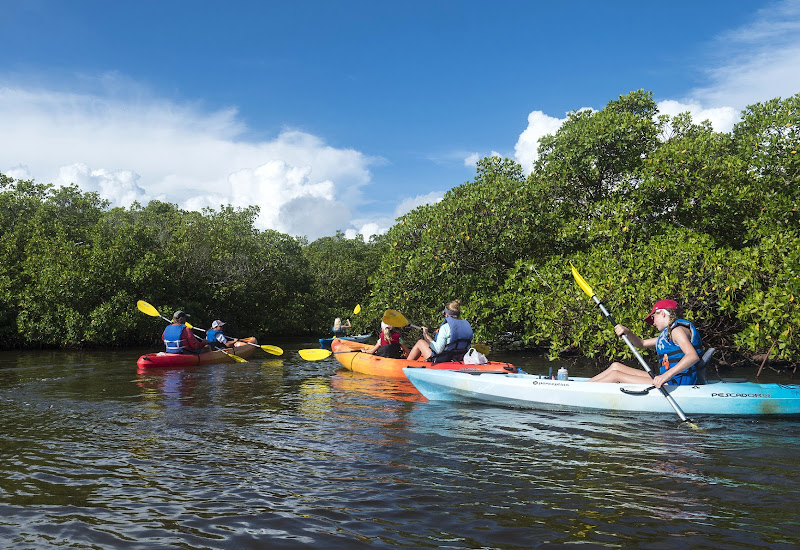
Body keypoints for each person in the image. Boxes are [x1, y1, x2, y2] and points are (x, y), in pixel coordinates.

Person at [588, 299, 704, 388]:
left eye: (653, 317)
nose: (653, 323)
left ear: (663, 313)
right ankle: (579, 387)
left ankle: (579, 391)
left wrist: (665, 376)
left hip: (677, 383)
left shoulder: (677, 331)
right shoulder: (667, 335)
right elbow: (641, 344)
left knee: (615, 375)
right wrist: (627, 332)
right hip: (671, 380)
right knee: (616, 366)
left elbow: (692, 356)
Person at [406, 299, 474, 362]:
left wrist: (426, 335)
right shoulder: (466, 327)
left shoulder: (445, 328)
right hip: (456, 358)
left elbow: (438, 350)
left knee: (420, 342)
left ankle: (404, 366)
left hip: (440, 359)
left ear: (447, 314)